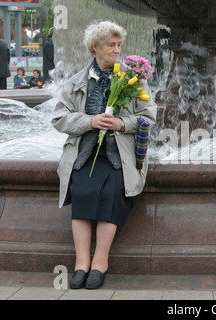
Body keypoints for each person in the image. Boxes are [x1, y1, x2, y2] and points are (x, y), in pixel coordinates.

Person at [51, 21, 157, 289]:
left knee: (111, 193)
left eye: (119, 45)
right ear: (95, 47)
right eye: (111, 45)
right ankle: (80, 265)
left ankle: (100, 262)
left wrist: (121, 124)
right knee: (82, 193)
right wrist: (90, 121)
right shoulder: (77, 82)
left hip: (118, 155)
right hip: (85, 154)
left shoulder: (134, 81)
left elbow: (148, 117)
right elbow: (59, 118)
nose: (117, 49)